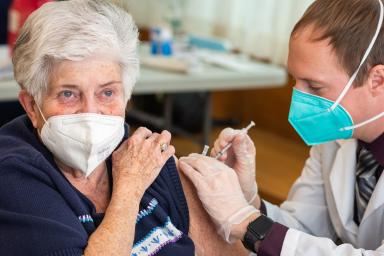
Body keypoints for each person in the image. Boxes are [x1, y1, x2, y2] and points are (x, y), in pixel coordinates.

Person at [0, 0, 248, 255]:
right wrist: (129, 189)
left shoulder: (142, 155)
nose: (91, 111)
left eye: (107, 92)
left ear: (127, 97)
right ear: (31, 106)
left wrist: (244, 201)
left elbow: (224, 251)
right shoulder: (13, 175)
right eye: (68, 94)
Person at [179, 0, 384, 255]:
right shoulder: (336, 134)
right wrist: (248, 199)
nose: (298, 98)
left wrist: (247, 222)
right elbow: (305, 230)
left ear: (377, 80)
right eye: (295, 81)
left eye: (315, 87)